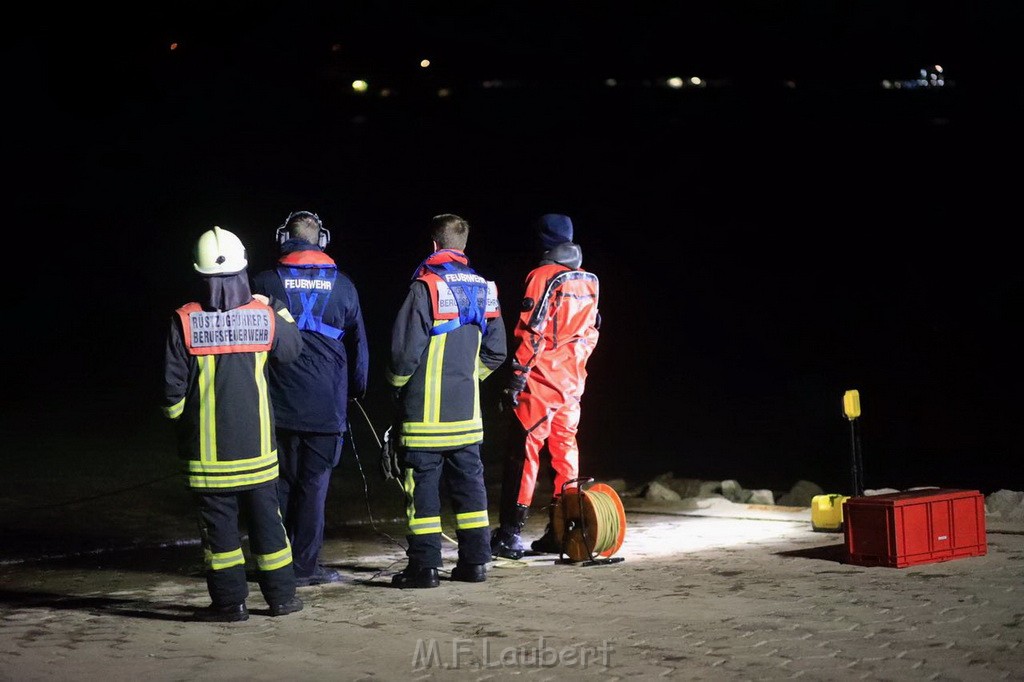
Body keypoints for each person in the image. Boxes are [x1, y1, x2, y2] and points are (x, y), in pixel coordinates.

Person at [161, 225, 305, 622]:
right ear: (242, 269)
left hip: (209, 458)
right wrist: (275, 306)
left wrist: (184, 433)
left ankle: (230, 605)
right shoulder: (263, 315)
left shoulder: (184, 321)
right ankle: (283, 599)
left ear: (200, 273)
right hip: (258, 451)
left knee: (221, 535)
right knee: (269, 528)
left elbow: (172, 394)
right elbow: (293, 350)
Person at [386, 213, 507, 588]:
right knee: (471, 488)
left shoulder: (427, 287)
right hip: (468, 418)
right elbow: (497, 351)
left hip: (424, 416)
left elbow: (403, 354)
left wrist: (397, 385)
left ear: (434, 246)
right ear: (463, 246)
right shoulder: (485, 290)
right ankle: (475, 564)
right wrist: (470, 379)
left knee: (421, 491)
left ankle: (424, 568)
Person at [250, 210, 370, 587]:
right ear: (322, 241)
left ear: (283, 238)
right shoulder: (346, 286)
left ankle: (274, 563)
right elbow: (359, 350)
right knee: (314, 488)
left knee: (279, 485)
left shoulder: (264, 281)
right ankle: (305, 567)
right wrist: (355, 391)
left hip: (276, 405)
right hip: (325, 406)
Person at [490, 213, 601, 560]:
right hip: (572, 382)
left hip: (541, 381)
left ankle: (510, 534)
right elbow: (592, 331)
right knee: (565, 454)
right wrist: (576, 366)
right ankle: (563, 530)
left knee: (524, 454)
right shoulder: (587, 281)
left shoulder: (542, 277)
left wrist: (517, 377)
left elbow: (531, 330)